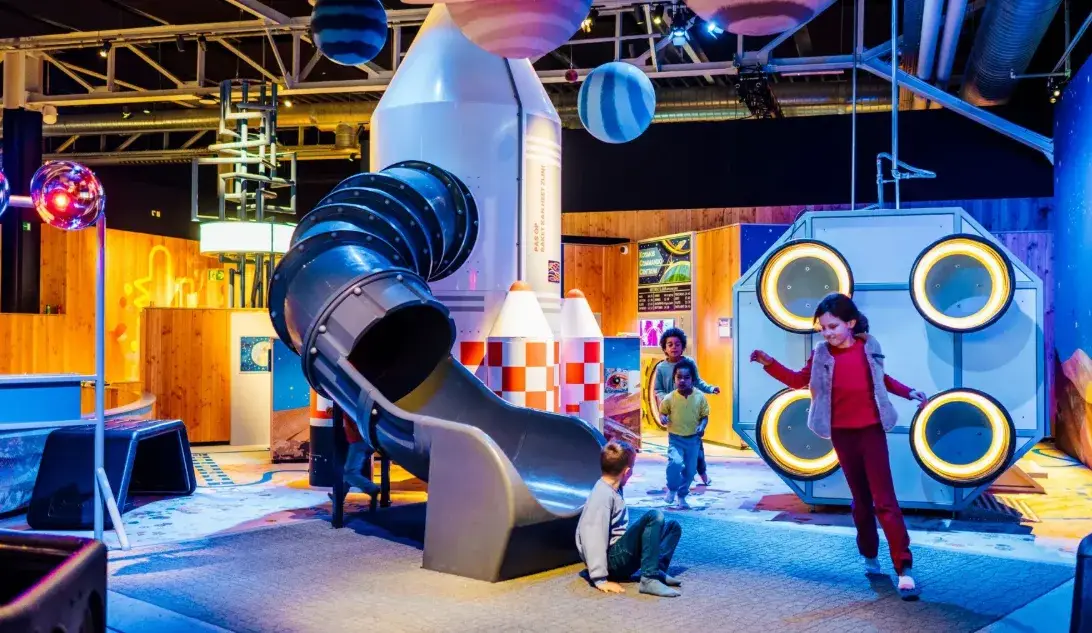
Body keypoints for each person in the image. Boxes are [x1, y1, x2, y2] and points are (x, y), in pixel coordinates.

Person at [749, 293, 928, 600]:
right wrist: (769, 363)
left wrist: (909, 391)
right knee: (861, 500)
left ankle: (903, 567)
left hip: (871, 431)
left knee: (885, 500)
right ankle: (869, 553)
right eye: (823, 328)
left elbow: (882, 379)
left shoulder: (869, 347)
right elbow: (798, 380)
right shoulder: (820, 354)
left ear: (850, 323)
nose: (827, 333)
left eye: (832, 326)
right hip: (842, 434)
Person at [576, 440, 683, 597]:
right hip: (611, 563)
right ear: (626, 472)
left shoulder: (614, 488)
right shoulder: (601, 495)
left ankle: (655, 569)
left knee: (673, 527)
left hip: (618, 554)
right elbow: (592, 536)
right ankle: (649, 579)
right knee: (654, 517)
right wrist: (600, 579)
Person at [653, 327, 719, 486]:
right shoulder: (661, 367)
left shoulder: (689, 363)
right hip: (674, 415)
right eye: (670, 344)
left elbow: (697, 382)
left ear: (683, 346)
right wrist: (664, 409)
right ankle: (681, 475)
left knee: (697, 448)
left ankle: (702, 473)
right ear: (664, 348)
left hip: (691, 412)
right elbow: (658, 390)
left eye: (677, 344)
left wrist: (710, 389)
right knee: (676, 446)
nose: (674, 347)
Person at [659, 360, 710, 510]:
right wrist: (663, 418)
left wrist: (702, 426)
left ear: (692, 379)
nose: (682, 380)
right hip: (676, 439)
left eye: (686, 377)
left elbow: (704, 416)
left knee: (690, 471)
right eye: (679, 377)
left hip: (693, 440)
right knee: (675, 463)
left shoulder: (700, 397)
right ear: (674, 379)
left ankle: (682, 496)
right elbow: (662, 413)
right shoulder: (669, 398)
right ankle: (672, 488)